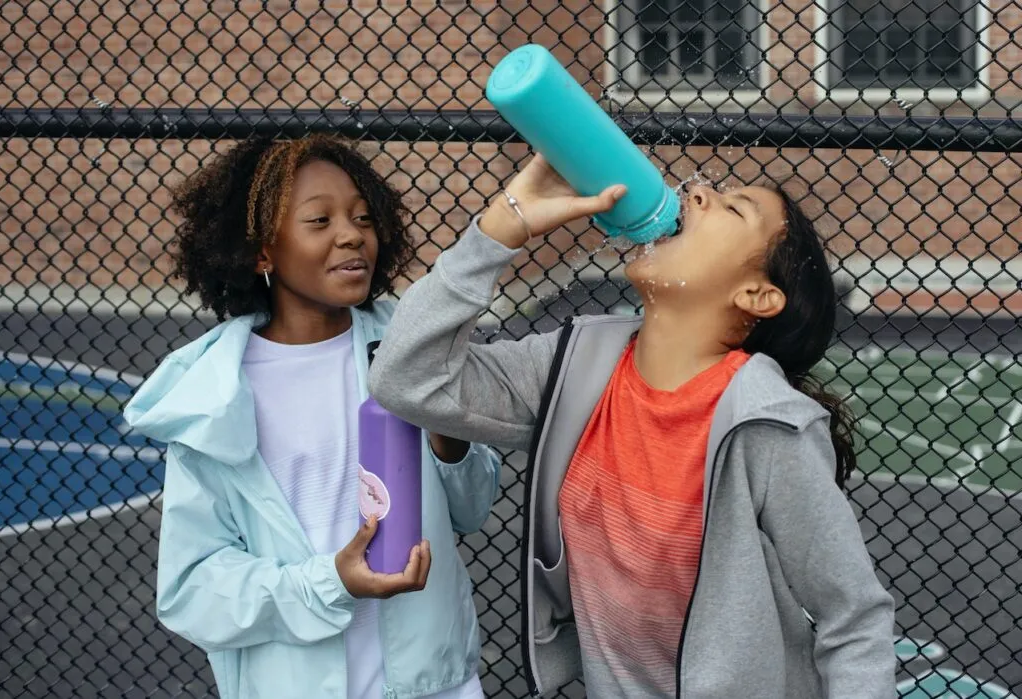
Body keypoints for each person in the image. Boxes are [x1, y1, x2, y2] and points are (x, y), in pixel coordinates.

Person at [368, 154, 897, 698]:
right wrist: (500, 229)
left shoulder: (766, 425)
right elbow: (407, 378)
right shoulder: (574, 371)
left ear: (756, 296)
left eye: (732, 207)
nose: (695, 193)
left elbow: (853, 618)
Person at [123, 134, 500, 699]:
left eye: (362, 218)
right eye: (319, 221)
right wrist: (331, 584)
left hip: (433, 683)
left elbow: (472, 508)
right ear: (261, 252)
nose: (352, 234)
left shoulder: (410, 347)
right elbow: (192, 590)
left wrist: (449, 434)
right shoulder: (215, 395)